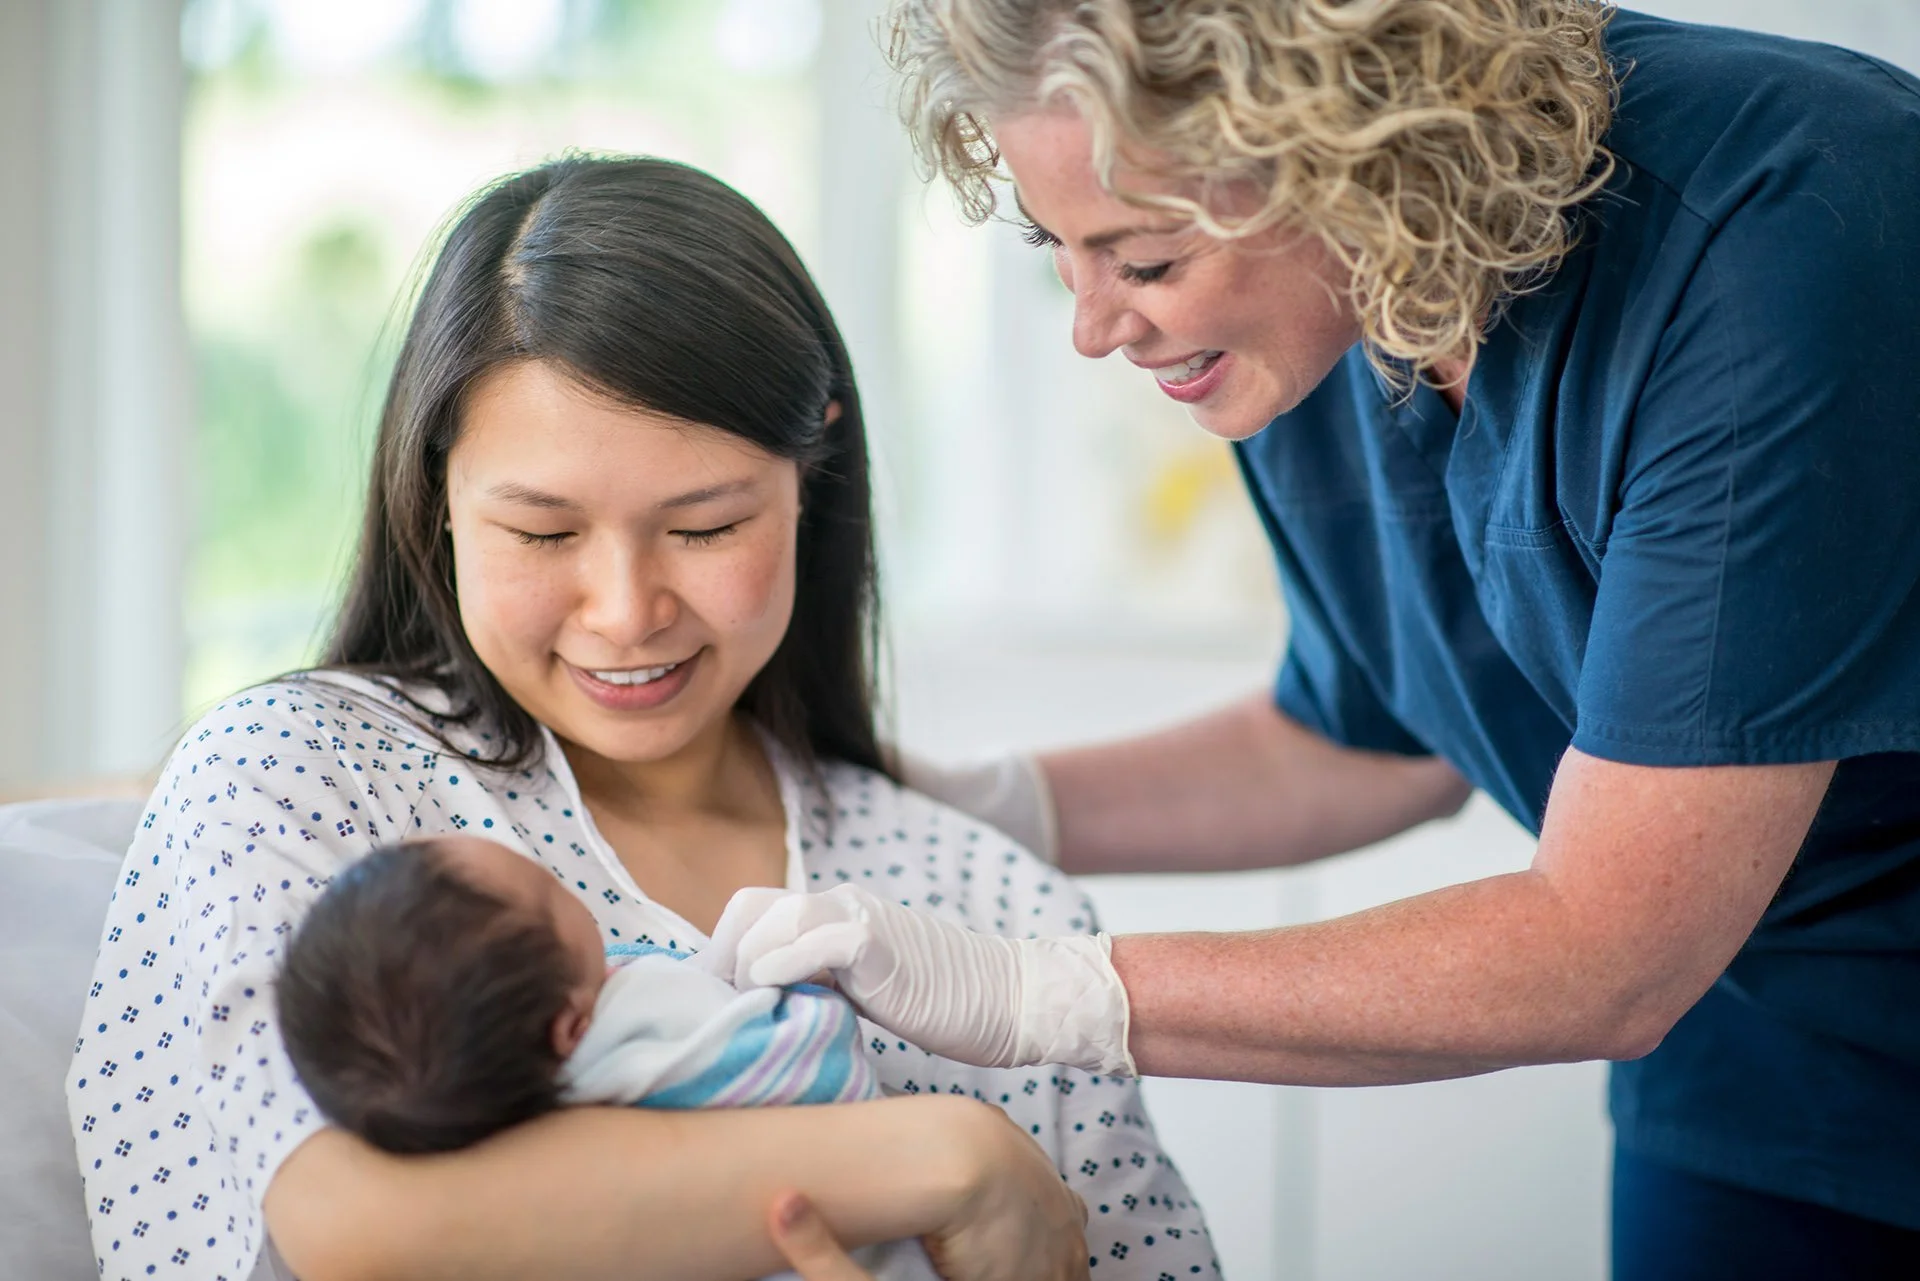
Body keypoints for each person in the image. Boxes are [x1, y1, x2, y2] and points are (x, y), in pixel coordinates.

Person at [709, 3, 1920, 1279]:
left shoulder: (1775, 241)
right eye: (1055, 248)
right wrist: (950, 807)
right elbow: (1374, 740)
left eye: (1148, 259)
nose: (1093, 325)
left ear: (1354, 153)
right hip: (1753, 1071)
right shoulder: (1313, 318)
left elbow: (1610, 947)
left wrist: (1036, 994)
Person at [64, 155, 1219, 1281]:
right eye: (544, 532)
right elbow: (350, 1221)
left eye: (707, 526)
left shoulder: (987, 899)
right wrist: (951, 1158)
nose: (624, 615)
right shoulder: (300, 778)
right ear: (439, 498)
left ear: (809, 477)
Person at [275, 835, 936, 1280]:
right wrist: (799, 989)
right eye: (550, 893)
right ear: (571, 1027)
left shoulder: (484, 1123)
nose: (570, 888)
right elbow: (821, 1068)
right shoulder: (641, 1012)